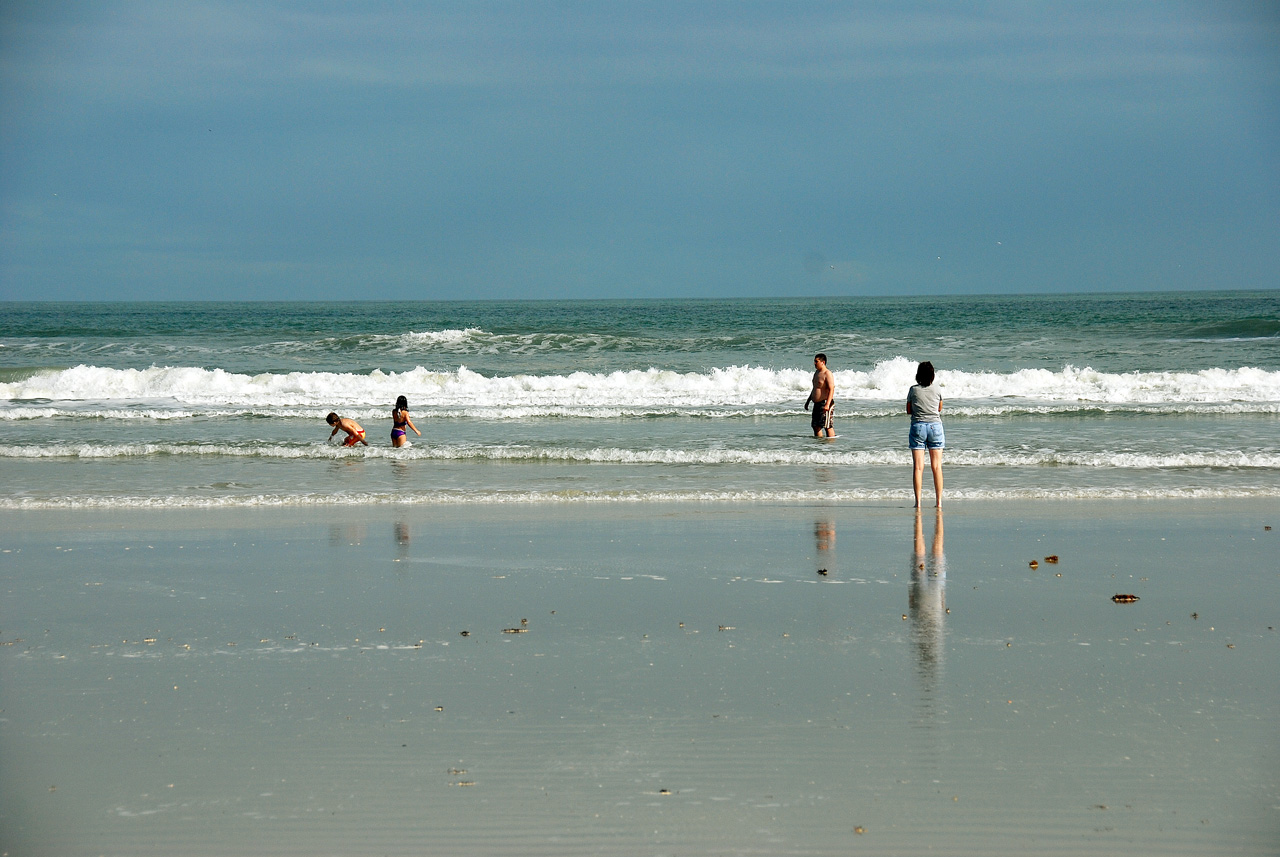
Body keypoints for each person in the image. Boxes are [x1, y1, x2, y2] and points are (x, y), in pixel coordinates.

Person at [907, 361, 944, 508]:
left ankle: (918, 502)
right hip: (935, 427)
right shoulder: (937, 389)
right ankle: (939, 502)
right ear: (932, 375)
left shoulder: (913, 390)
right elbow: (939, 408)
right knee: (936, 467)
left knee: (918, 467)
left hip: (918, 427)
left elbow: (909, 410)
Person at [804, 353, 835, 438]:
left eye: (816, 361)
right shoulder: (817, 373)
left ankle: (830, 445)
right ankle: (819, 445)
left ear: (823, 362)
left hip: (825, 403)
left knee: (827, 425)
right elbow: (815, 389)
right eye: (814, 361)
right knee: (815, 425)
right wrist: (808, 401)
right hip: (816, 404)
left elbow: (831, 389)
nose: (814, 363)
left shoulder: (827, 373)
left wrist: (828, 404)